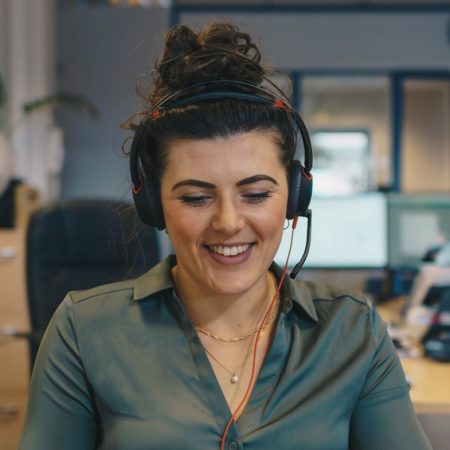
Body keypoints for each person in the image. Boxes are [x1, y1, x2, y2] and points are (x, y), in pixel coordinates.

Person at [18, 22, 431, 450]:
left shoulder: (351, 331)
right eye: (196, 198)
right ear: (153, 205)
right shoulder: (85, 332)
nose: (229, 222)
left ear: (294, 197)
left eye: (255, 194)